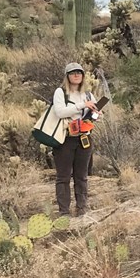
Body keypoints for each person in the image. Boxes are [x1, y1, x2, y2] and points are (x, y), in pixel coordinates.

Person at [50, 62, 98, 216]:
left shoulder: (89, 94)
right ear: (67, 76)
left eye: (79, 72)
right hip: (65, 139)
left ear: (83, 76)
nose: (76, 75)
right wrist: (82, 105)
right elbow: (60, 112)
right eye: (72, 73)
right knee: (63, 176)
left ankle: (82, 207)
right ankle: (63, 211)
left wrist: (96, 114)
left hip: (84, 138)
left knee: (81, 175)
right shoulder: (61, 92)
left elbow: (95, 115)